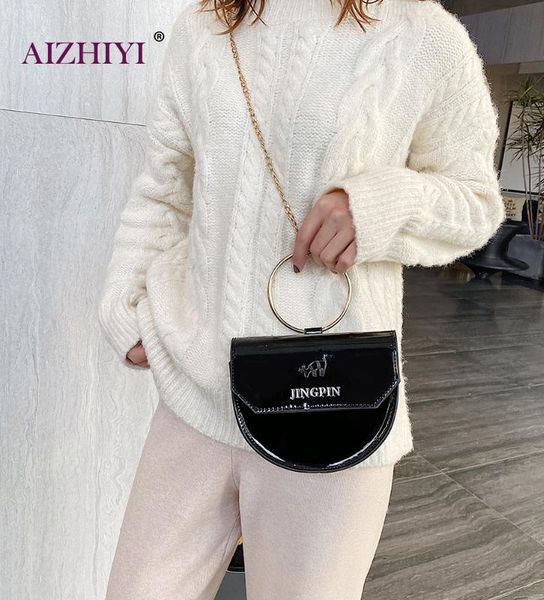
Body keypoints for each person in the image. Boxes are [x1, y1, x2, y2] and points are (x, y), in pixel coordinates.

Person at [98, 0, 505, 598]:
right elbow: (165, 189)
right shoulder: (204, 26)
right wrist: (128, 301)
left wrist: (374, 207)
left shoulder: (423, 34)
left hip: (333, 410)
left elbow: (476, 201)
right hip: (194, 395)